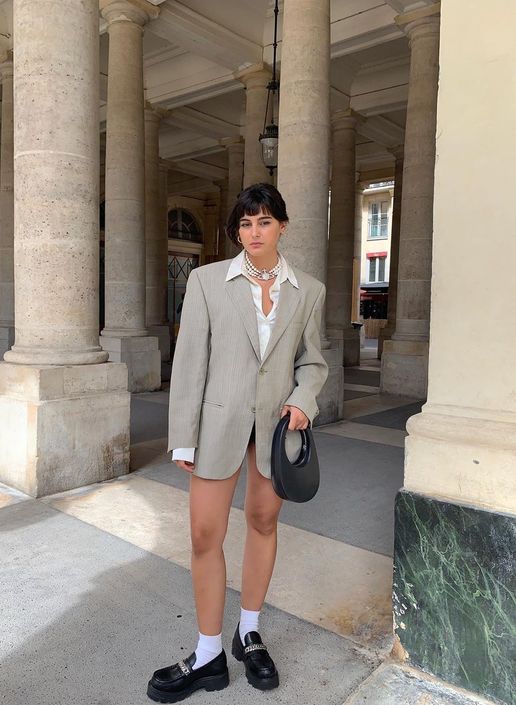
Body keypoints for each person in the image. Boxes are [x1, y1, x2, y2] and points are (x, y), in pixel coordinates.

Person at [147, 183, 328, 703]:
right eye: (246, 224)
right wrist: (182, 437)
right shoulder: (206, 282)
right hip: (217, 426)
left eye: (264, 222)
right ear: (238, 230)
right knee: (205, 534)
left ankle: (249, 633)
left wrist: (303, 400)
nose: (254, 232)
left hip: (277, 427)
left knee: (263, 521)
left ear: (282, 227)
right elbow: (190, 364)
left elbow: (314, 361)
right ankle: (207, 655)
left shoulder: (309, 290)